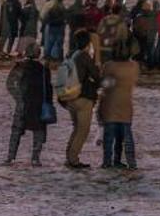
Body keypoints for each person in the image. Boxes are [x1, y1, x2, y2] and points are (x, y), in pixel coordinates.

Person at [3, 37, 52, 164]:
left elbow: (10, 84)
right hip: (38, 104)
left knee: (16, 130)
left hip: (23, 104)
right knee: (39, 131)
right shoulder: (44, 69)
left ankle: (11, 157)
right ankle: (35, 158)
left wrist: (19, 97)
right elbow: (48, 89)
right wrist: (49, 104)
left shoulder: (20, 67)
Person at [58, 30, 100, 169]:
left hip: (69, 97)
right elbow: (97, 76)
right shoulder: (84, 56)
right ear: (88, 43)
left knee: (76, 128)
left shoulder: (69, 54)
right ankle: (73, 159)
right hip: (82, 98)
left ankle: (69, 156)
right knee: (83, 130)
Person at [98, 38, 139, 170]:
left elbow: (105, 85)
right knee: (126, 137)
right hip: (126, 104)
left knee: (109, 137)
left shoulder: (109, 66)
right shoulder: (134, 66)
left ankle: (107, 162)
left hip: (109, 104)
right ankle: (129, 162)